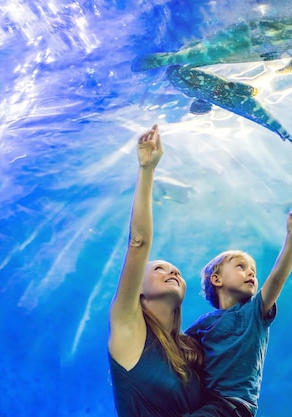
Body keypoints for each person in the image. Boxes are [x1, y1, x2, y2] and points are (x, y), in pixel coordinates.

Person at [108, 124, 204, 417]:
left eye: (177, 271)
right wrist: (147, 169)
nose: (172, 272)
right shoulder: (127, 328)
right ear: (138, 289)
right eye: (160, 268)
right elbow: (139, 243)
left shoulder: (190, 349)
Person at [186, 205, 292, 417]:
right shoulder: (204, 323)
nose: (250, 273)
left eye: (253, 271)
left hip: (234, 406)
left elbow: (277, 278)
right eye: (241, 267)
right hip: (206, 403)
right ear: (216, 279)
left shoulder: (254, 313)